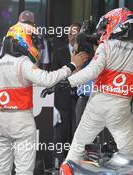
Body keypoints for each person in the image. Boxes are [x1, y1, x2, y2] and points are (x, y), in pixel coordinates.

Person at [0, 21, 88, 174]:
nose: (36, 44)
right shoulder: (23, 63)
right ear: (22, 40)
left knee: (1, 167)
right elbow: (47, 79)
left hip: (2, 122)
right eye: (32, 40)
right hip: (22, 122)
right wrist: (71, 66)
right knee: (24, 169)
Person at [64, 7, 133, 162]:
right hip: (121, 108)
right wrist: (127, 86)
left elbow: (91, 72)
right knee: (131, 156)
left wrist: (67, 82)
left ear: (117, 24)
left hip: (97, 105)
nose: (104, 31)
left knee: (77, 149)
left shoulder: (107, 46)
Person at [52, 23, 81, 166]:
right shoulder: (59, 52)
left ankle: (74, 163)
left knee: (76, 131)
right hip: (62, 98)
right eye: (70, 33)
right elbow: (53, 76)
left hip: (79, 98)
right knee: (61, 132)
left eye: (76, 34)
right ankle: (60, 162)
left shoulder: (86, 53)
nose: (72, 37)